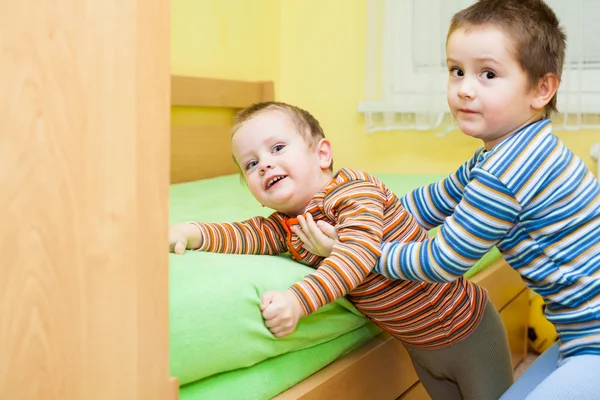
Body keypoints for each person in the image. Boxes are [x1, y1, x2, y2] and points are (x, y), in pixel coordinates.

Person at [297, 0, 600, 398]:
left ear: (541, 89)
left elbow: (442, 260)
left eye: (487, 74)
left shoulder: (507, 172)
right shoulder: (506, 153)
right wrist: (360, 209)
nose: (464, 88)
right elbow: (428, 203)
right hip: (579, 334)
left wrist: (356, 248)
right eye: (456, 71)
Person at [169, 101, 514, 399]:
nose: (264, 165)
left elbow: (355, 257)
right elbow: (247, 234)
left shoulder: (353, 192)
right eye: (250, 164)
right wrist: (194, 232)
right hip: (421, 346)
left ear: (322, 154)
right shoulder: (288, 223)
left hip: (467, 330)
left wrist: (297, 300)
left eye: (276, 149)